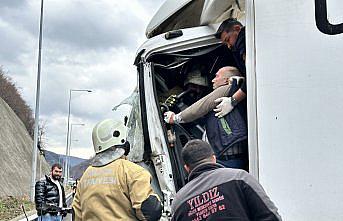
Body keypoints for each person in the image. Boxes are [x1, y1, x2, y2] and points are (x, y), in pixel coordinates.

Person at [72, 119, 162, 221]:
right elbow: (150, 213)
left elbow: (76, 215)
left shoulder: (85, 176)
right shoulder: (133, 172)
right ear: (122, 141)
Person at [171, 139, 282, 221]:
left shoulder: (179, 202)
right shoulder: (239, 178)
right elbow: (271, 216)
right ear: (213, 158)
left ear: (186, 168)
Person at [164, 66, 248, 169]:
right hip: (226, 156)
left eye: (216, 76)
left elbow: (199, 108)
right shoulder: (234, 92)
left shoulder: (227, 88)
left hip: (227, 158)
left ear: (226, 80)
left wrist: (175, 118)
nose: (213, 80)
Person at [214, 18, 247, 118]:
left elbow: (252, 76)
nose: (228, 46)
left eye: (228, 40)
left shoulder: (244, 40)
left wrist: (233, 100)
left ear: (237, 29)